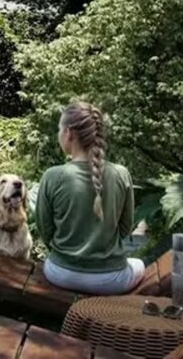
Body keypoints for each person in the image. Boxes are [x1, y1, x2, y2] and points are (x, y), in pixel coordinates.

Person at [36, 101, 144, 295]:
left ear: (68, 133)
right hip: (111, 280)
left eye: (59, 129)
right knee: (139, 264)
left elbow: (46, 231)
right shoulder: (121, 174)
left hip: (60, 274)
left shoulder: (52, 176)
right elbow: (126, 229)